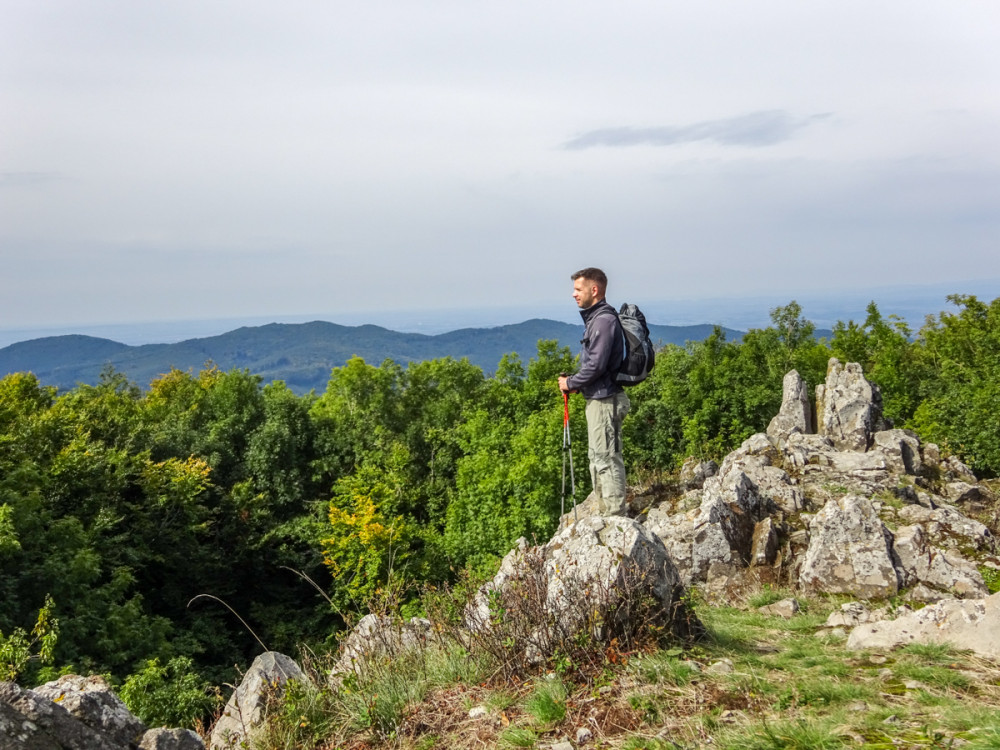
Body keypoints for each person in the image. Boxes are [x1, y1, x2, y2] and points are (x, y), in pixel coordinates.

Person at [557, 268, 630, 515]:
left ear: (594, 289)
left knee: (606, 458)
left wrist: (571, 383)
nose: (573, 294)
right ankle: (606, 511)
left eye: (578, 289)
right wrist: (580, 382)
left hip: (605, 401)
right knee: (599, 456)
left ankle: (615, 517)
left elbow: (596, 365)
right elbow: (597, 367)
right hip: (600, 398)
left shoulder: (602, 320)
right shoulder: (599, 319)